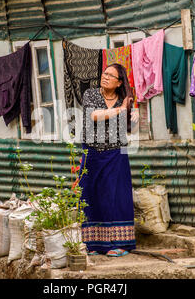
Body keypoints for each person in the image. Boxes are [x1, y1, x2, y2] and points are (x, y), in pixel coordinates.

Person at [78, 63, 139, 257]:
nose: (105, 77)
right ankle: (94, 244)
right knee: (92, 195)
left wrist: (135, 116)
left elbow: (131, 128)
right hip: (93, 153)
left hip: (116, 154)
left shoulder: (125, 100)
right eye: (104, 73)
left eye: (110, 75)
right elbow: (93, 116)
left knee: (116, 197)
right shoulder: (91, 94)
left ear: (119, 82)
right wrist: (120, 110)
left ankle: (120, 244)